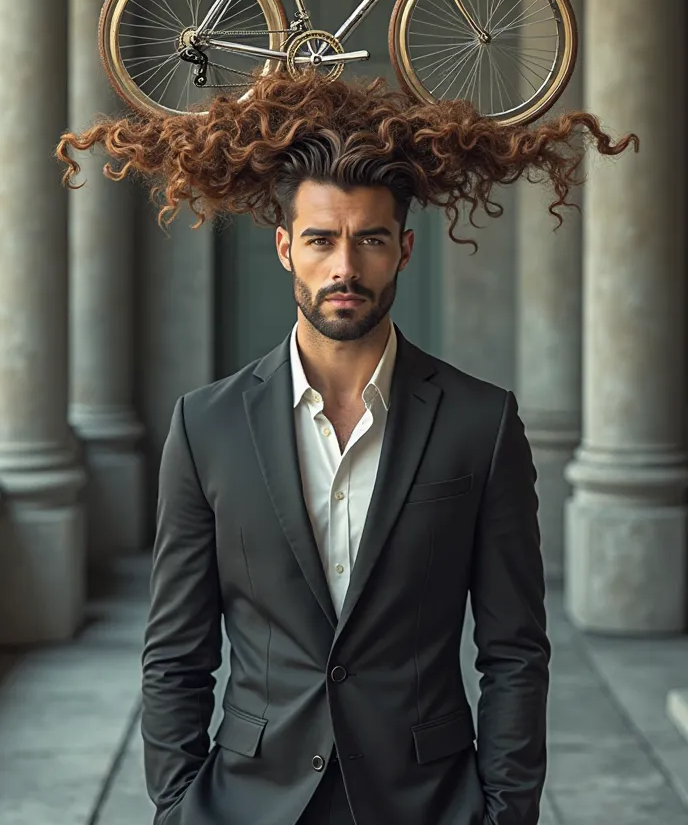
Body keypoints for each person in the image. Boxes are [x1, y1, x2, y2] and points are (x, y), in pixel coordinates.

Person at [57, 73, 637, 825]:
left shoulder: (480, 423)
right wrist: (176, 806)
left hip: (427, 801)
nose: (344, 267)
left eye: (368, 240)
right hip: (248, 802)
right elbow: (175, 653)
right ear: (284, 249)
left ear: (403, 249)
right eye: (321, 240)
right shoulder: (207, 425)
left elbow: (516, 651)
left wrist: (505, 812)